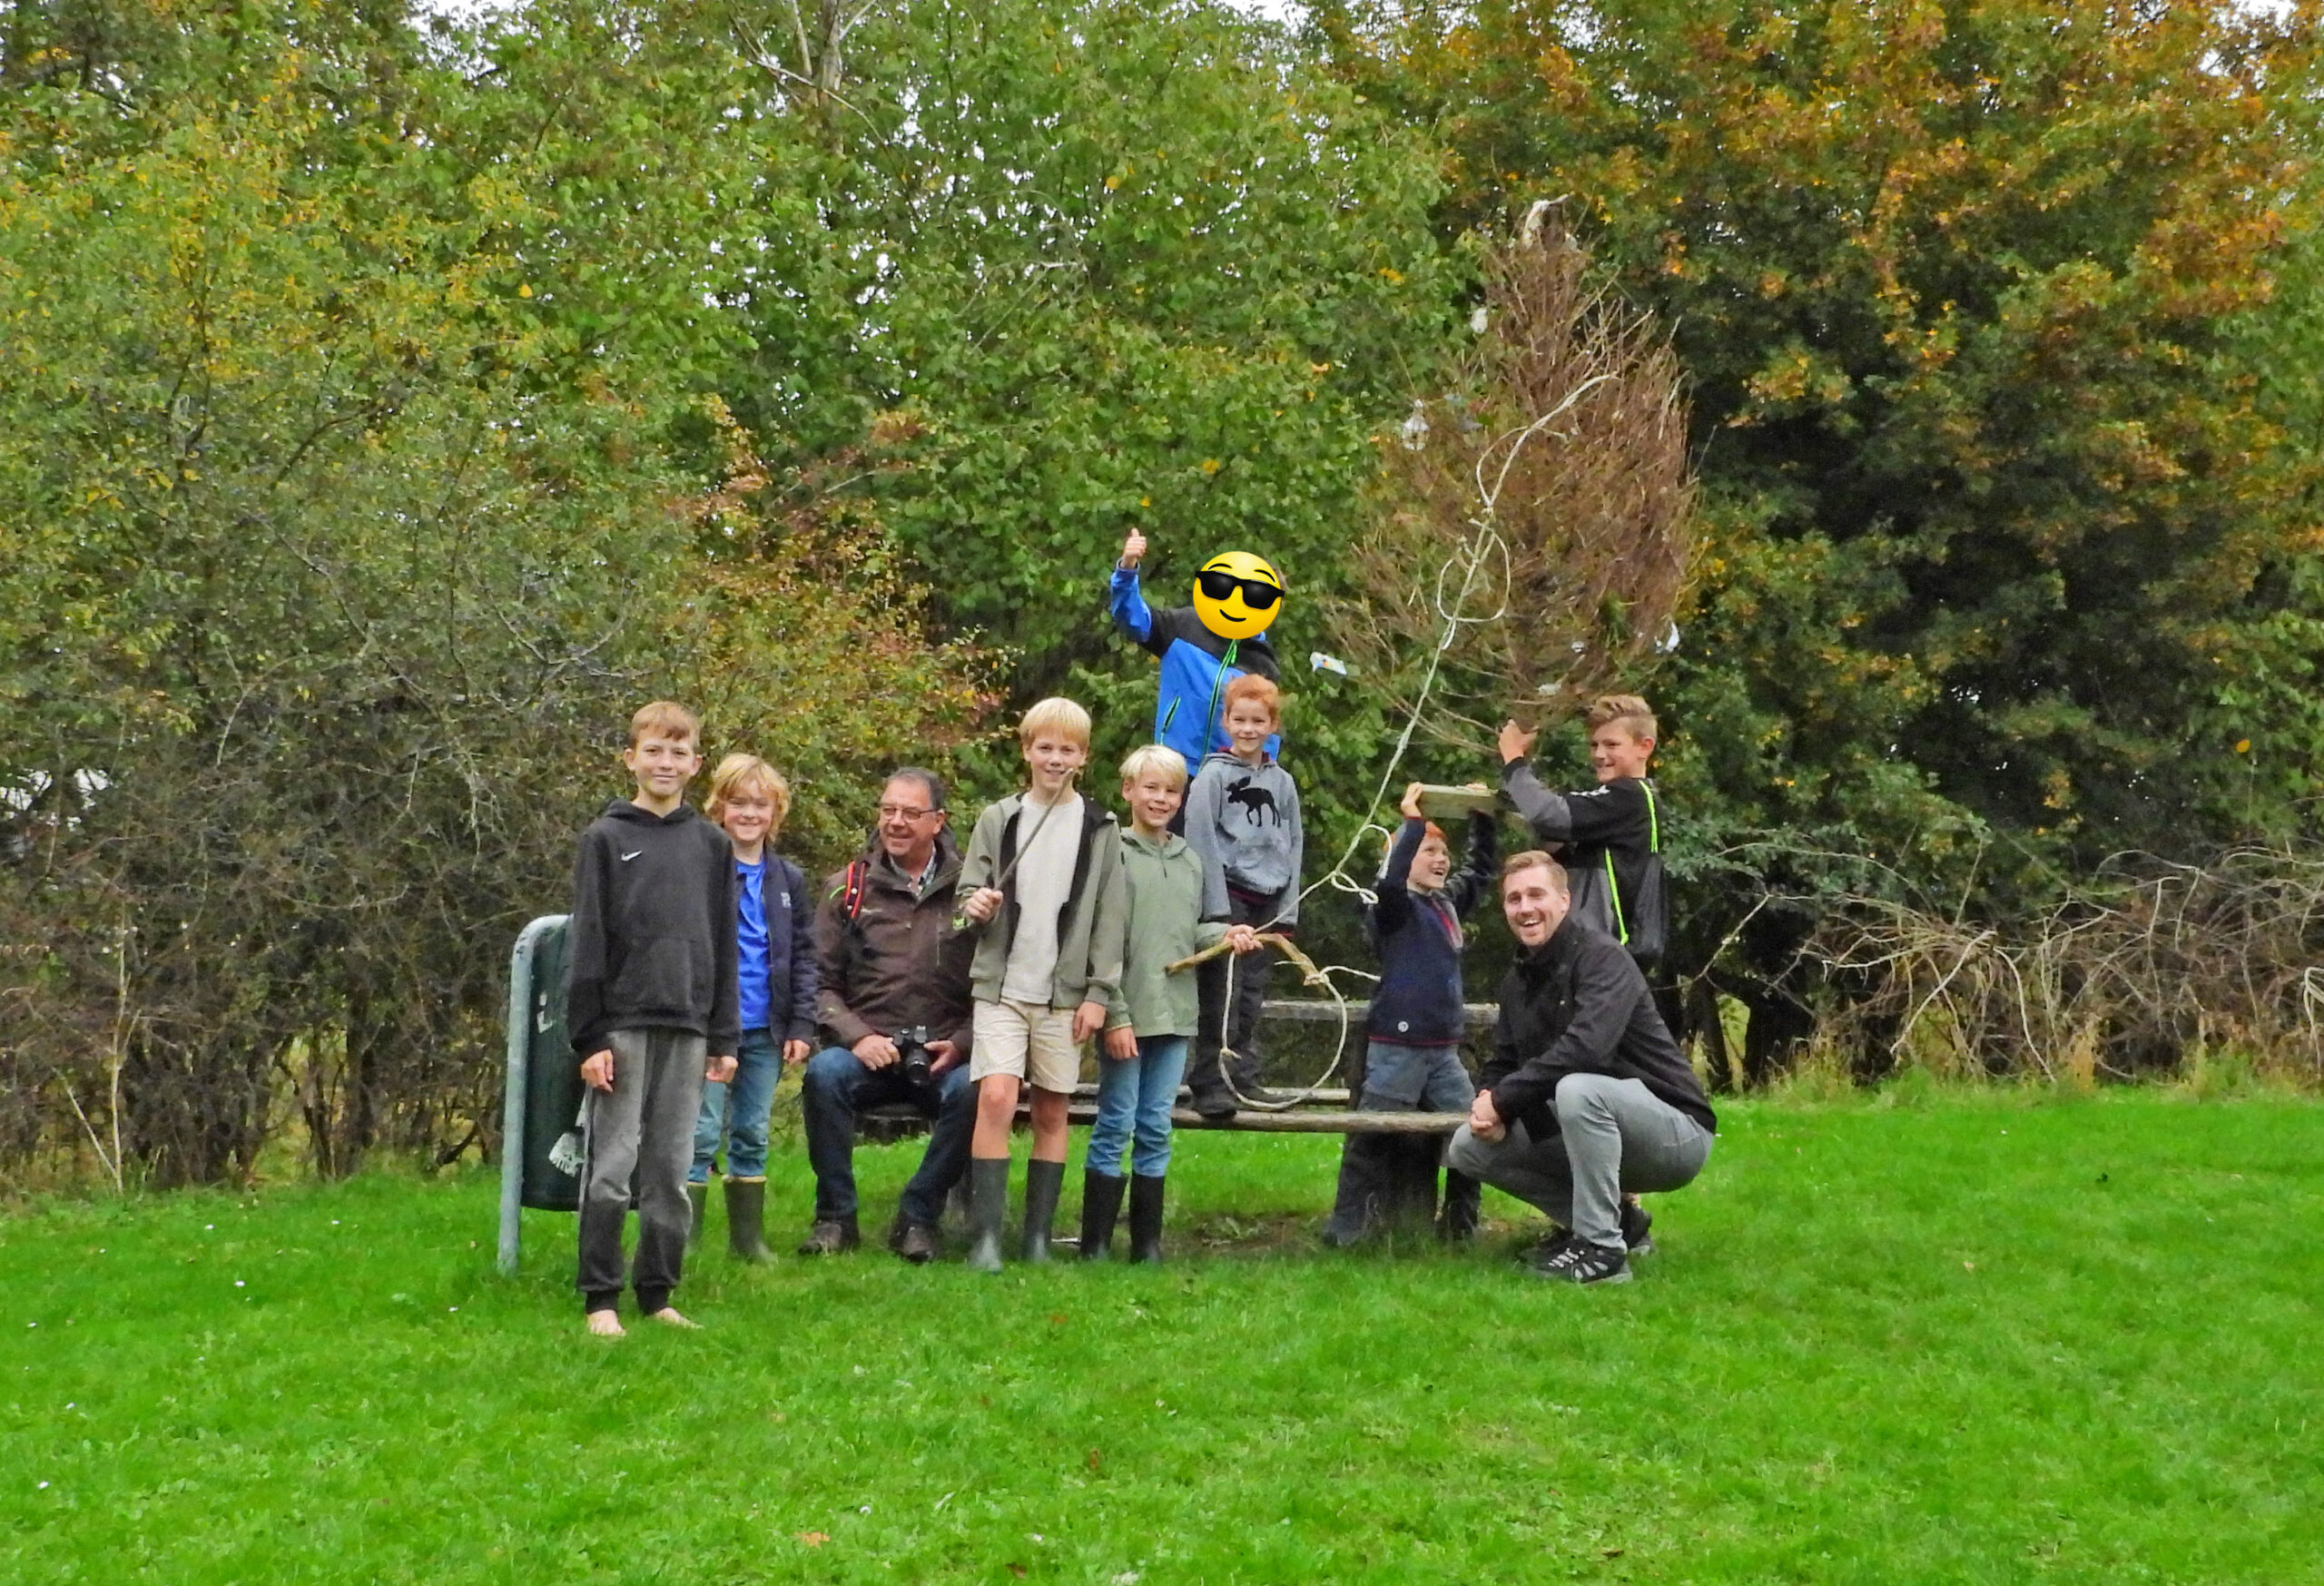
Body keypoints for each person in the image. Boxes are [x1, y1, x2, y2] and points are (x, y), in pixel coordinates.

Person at [1448, 852, 1716, 1286]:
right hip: (1596, 1124)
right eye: (1514, 899)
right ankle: (1621, 1227)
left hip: (1676, 1133)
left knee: (1578, 1089)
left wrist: (1505, 1100)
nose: (1525, 908)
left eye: (1537, 894)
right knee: (1467, 1146)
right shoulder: (1518, 981)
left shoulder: (1603, 959)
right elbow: (1503, 1060)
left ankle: (1602, 1253)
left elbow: (1586, 1049)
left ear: (1564, 900)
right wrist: (1487, 1101)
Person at [564, 701, 740, 1336]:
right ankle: (600, 1297)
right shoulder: (605, 838)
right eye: (654, 750)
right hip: (621, 1027)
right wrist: (589, 1036)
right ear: (630, 758)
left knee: (670, 1167)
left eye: (679, 751)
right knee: (612, 1165)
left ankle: (658, 1291)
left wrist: (725, 1033)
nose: (666, 762)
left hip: (690, 1026)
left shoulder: (713, 845)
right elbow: (588, 942)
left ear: (696, 762)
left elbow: (723, 941)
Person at [955, 698, 1128, 1271]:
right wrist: (976, 905)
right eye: (1045, 747)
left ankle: (1035, 1240)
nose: (1055, 759)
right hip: (1002, 987)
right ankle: (984, 1240)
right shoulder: (998, 818)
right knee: (999, 1096)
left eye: (1068, 750)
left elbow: (1110, 915)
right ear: (1026, 750)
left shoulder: (1101, 827)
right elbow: (965, 902)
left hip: (1066, 993)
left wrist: (1100, 994)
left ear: (1084, 757)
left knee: (1053, 1111)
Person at [1082, 745, 1261, 1263]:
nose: (1160, 799)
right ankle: (1094, 1245)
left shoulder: (1190, 862)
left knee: (1156, 1125)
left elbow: (1189, 934)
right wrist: (1114, 1014)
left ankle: (1147, 1246)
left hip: (1176, 1016)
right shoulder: (1112, 852)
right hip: (1126, 1014)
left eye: (1170, 791)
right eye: (1151, 788)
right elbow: (1101, 940)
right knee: (1117, 1121)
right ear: (1128, 791)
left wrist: (1228, 933)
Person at [797, 768, 979, 1264]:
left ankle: (919, 1217)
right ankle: (835, 1217)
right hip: (866, 1053)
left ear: (938, 821)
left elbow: (996, 987)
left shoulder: (970, 892)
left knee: (977, 1088)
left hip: (943, 1053)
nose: (895, 822)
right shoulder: (848, 889)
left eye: (910, 813)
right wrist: (856, 1038)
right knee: (823, 1075)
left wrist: (961, 1043)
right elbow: (818, 982)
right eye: (887, 810)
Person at [1322, 782, 1496, 1247]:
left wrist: (1482, 818)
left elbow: (1480, 872)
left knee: (1470, 1136)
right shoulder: (1394, 909)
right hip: (1396, 1049)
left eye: (1443, 852)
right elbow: (1390, 881)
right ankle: (1345, 1230)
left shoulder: (1445, 904)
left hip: (1443, 1052)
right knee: (1371, 1140)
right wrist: (1412, 823)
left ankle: (1460, 1227)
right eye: (1427, 851)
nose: (1440, 860)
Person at [687, 754, 816, 1263]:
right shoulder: (701, 869)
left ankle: (748, 1241)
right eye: (738, 803)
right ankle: (685, 1239)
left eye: (760, 804)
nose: (748, 813)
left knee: (751, 1131)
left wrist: (802, 1023)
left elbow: (805, 954)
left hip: (767, 1025)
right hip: (711, 1027)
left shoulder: (788, 880)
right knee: (699, 1131)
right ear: (719, 808)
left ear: (776, 813)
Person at [1181, 673, 1303, 1117]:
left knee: (1252, 995)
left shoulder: (1282, 783)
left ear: (1272, 725)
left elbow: (1294, 841)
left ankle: (1244, 1077)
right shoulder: (1212, 777)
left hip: (1269, 898)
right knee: (1223, 993)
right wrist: (1217, 912)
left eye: (1259, 720)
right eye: (1240, 720)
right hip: (1229, 896)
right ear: (1226, 722)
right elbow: (1200, 842)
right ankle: (1210, 1080)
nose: (1249, 729)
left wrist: (1289, 905)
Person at [1495, 694, 1666, 970]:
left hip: (1608, 958)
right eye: (1594, 745)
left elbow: (1549, 816)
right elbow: (1555, 838)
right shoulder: (1614, 802)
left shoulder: (1629, 797)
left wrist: (1514, 759)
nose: (1599, 754)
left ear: (1644, 747)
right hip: (1589, 955)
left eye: (1611, 744)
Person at [1109, 528, 1283, 773]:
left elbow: (1268, 734)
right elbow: (1131, 617)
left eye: (1258, 596)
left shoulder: (1263, 661)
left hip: (1227, 777)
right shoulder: (1181, 626)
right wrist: (1127, 570)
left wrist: (1263, 777)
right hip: (1172, 769)